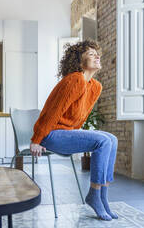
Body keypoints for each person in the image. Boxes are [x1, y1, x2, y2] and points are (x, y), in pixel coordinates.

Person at [30, 40, 118, 221]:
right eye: (91, 54)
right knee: (102, 141)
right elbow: (52, 112)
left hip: (65, 134)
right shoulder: (74, 79)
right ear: (80, 61)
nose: (97, 56)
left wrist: (76, 135)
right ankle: (94, 194)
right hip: (51, 134)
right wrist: (37, 139)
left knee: (112, 139)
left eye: (97, 53)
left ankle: (102, 196)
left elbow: (79, 118)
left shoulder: (95, 86)